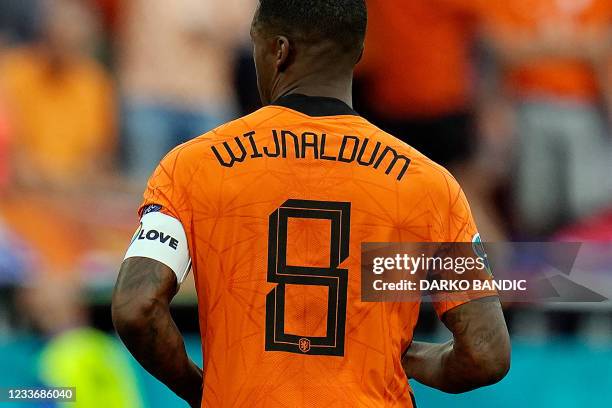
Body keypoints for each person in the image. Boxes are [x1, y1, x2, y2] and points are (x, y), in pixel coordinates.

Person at [112, 1, 510, 407]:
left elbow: (136, 306)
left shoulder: (193, 166)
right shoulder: (427, 183)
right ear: (357, 52)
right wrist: (412, 359)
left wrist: (201, 391)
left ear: (279, 50)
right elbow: (485, 353)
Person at [479, 0, 612, 237]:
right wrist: (578, 46)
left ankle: (586, 269)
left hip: (587, 108)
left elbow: (601, 46)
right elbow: (504, 48)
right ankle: (544, 269)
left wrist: (543, 45)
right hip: (530, 106)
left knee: (589, 204)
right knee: (536, 208)